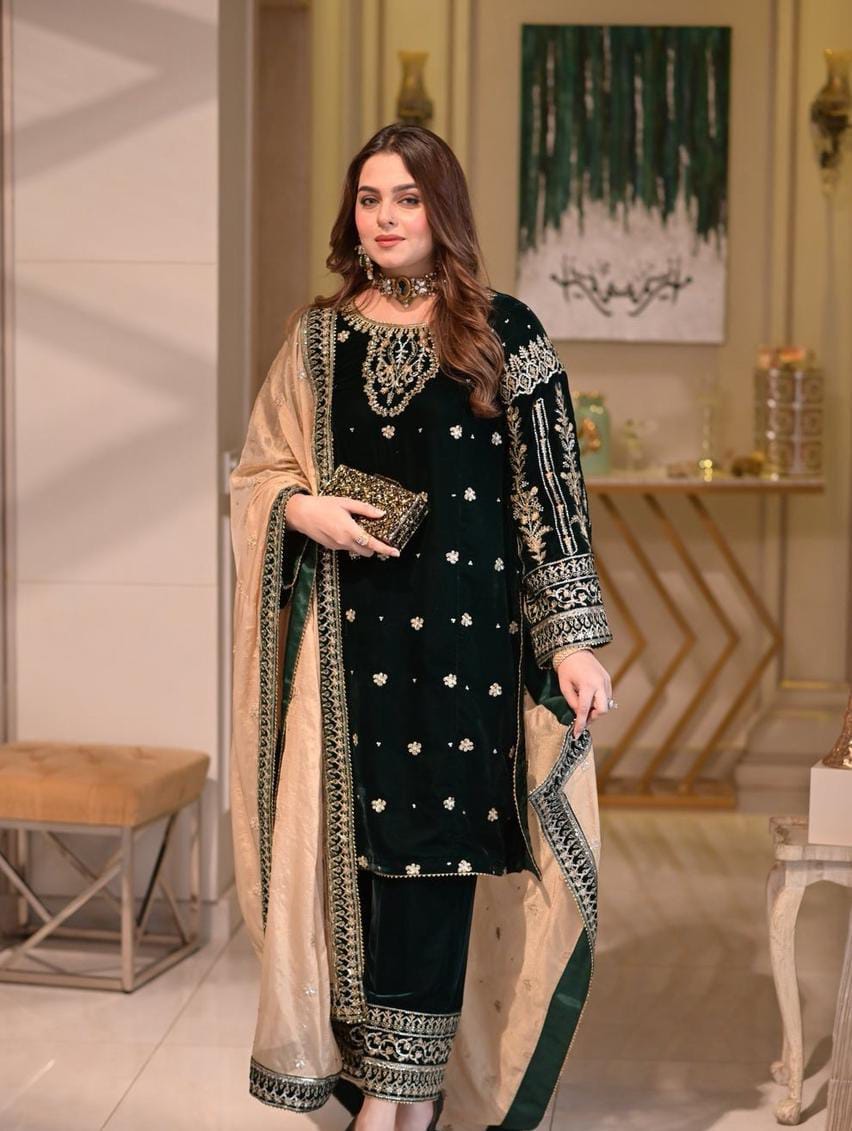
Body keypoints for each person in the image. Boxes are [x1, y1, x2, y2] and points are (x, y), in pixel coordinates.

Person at [229, 123, 614, 1130]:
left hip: (465, 652)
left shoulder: (504, 332)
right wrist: (300, 510)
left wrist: (572, 638)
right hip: (349, 656)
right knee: (360, 870)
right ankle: (398, 1099)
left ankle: (392, 1106)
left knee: (438, 864)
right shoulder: (317, 338)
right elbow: (259, 472)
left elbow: (550, 495)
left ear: (443, 209)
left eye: (406, 198)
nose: (387, 217)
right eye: (370, 199)